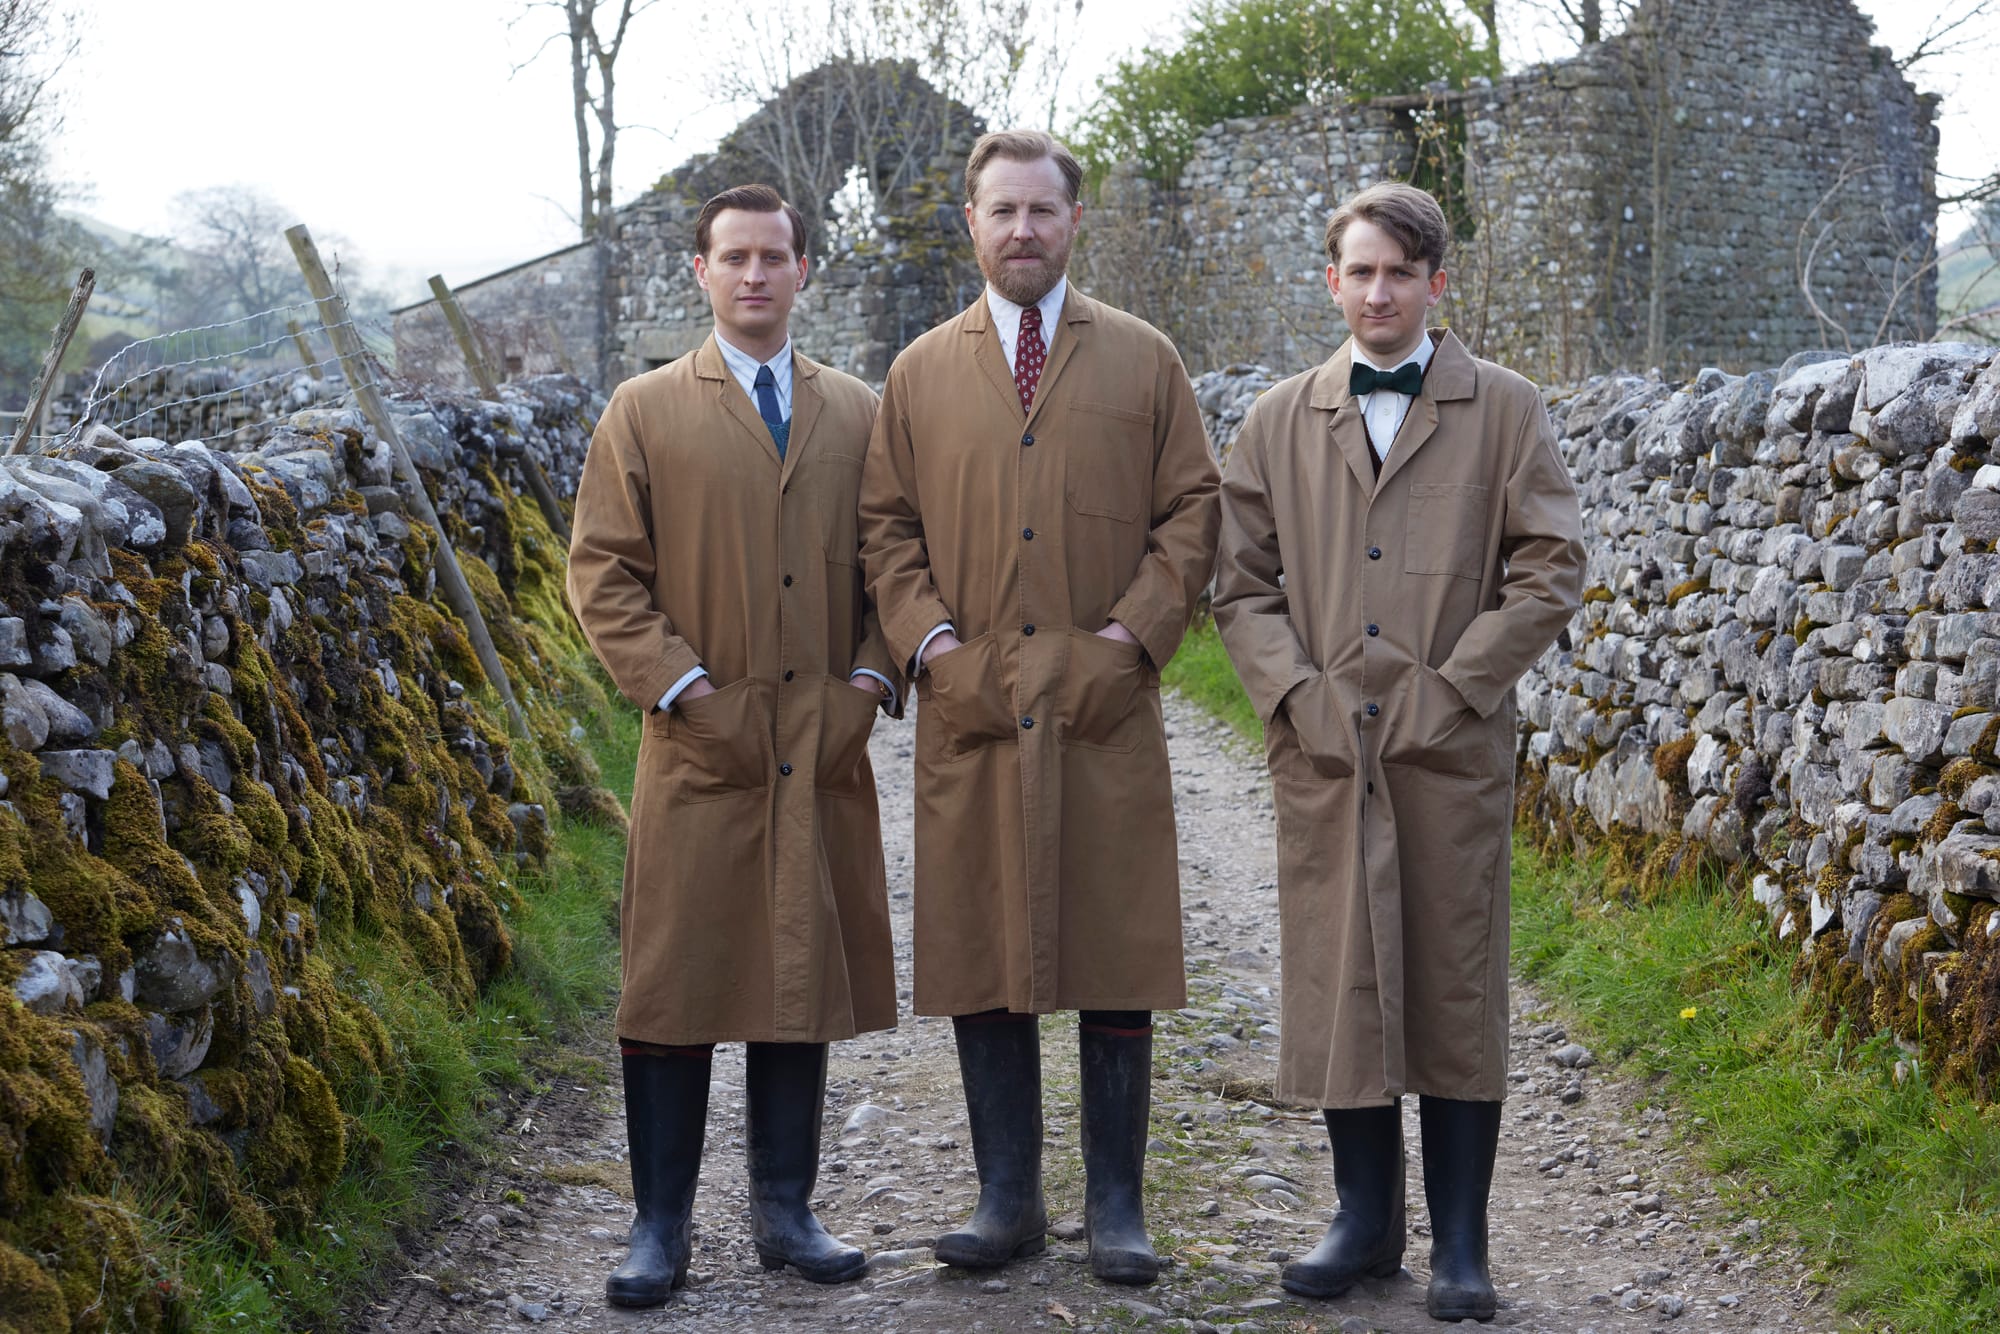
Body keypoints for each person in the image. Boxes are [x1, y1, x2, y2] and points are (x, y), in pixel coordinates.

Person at [1211, 181, 1584, 1323]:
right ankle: (1359, 1223)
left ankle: (1459, 1243)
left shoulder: (1504, 409)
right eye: (1358, 272)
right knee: (1338, 977)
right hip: (1325, 753)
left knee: (1452, 983)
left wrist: (1456, 687)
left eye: (1398, 272)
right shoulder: (1278, 418)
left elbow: (1548, 567)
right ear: (1331, 282)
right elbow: (1237, 584)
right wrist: (1293, 695)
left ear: (1436, 283)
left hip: (1446, 753)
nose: (1377, 292)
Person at [858, 128, 1219, 1286]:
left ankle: (1116, 1205)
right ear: (970, 221)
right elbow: (884, 528)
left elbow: (1191, 513)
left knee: (1114, 945)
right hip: (972, 704)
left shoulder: (1144, 360)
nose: (1022, 229)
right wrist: (932, 647)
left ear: (1074, 222)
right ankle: (1005, 1197)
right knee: (980, 944)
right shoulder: (915, 373)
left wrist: (1131, 641)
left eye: (1041, 211)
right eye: (1001, 210)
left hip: (1100, 702)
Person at [567, 183, 901, 1306]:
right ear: (698, 273)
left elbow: (897, 561)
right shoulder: (645, 409)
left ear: (807, 270)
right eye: (734, 258)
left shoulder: (860, 410)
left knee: (792, 970)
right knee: (672, 979)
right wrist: (685, 688)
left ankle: (784, 1209)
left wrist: (870, 677)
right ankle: (657, 1223)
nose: (754, 275)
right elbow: (602, 573)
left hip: (822, 738)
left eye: (774, 256)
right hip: (698, 742)